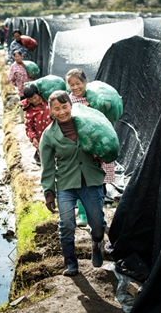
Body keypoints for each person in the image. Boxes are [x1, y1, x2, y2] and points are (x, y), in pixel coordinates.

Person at [40, 90, 107, 276]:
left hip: (90, 180)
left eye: (64, 107)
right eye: (56, 109)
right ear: (50, 111)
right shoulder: (48, 135)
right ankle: (71, 263)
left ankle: (97, 242)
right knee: (67, 223)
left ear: (71, 105)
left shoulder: (84, 124)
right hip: (65, 183)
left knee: (98, 222)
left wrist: (98, 152)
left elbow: (102, 142)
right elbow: (47, 167)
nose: (62, 112)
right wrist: (49, 192)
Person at [65, 68, 116, 200]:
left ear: (86, 82)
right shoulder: (69, 102)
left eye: (78, 83)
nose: (76, 87)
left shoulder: (94, 97)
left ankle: (102, 195)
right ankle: (84, 200)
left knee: (102, 167)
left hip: (98, 140)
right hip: (83, 143)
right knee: (86, 171)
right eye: (72, 85)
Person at [22, 84, 52, 166]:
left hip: (55, 135)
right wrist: (33, 137)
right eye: (30, 99)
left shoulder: (48, 101)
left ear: (38, 93)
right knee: (46, 162)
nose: (34, 101)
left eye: (35, 97)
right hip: (41, 139)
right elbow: (28, 127)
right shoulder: (29, 111)